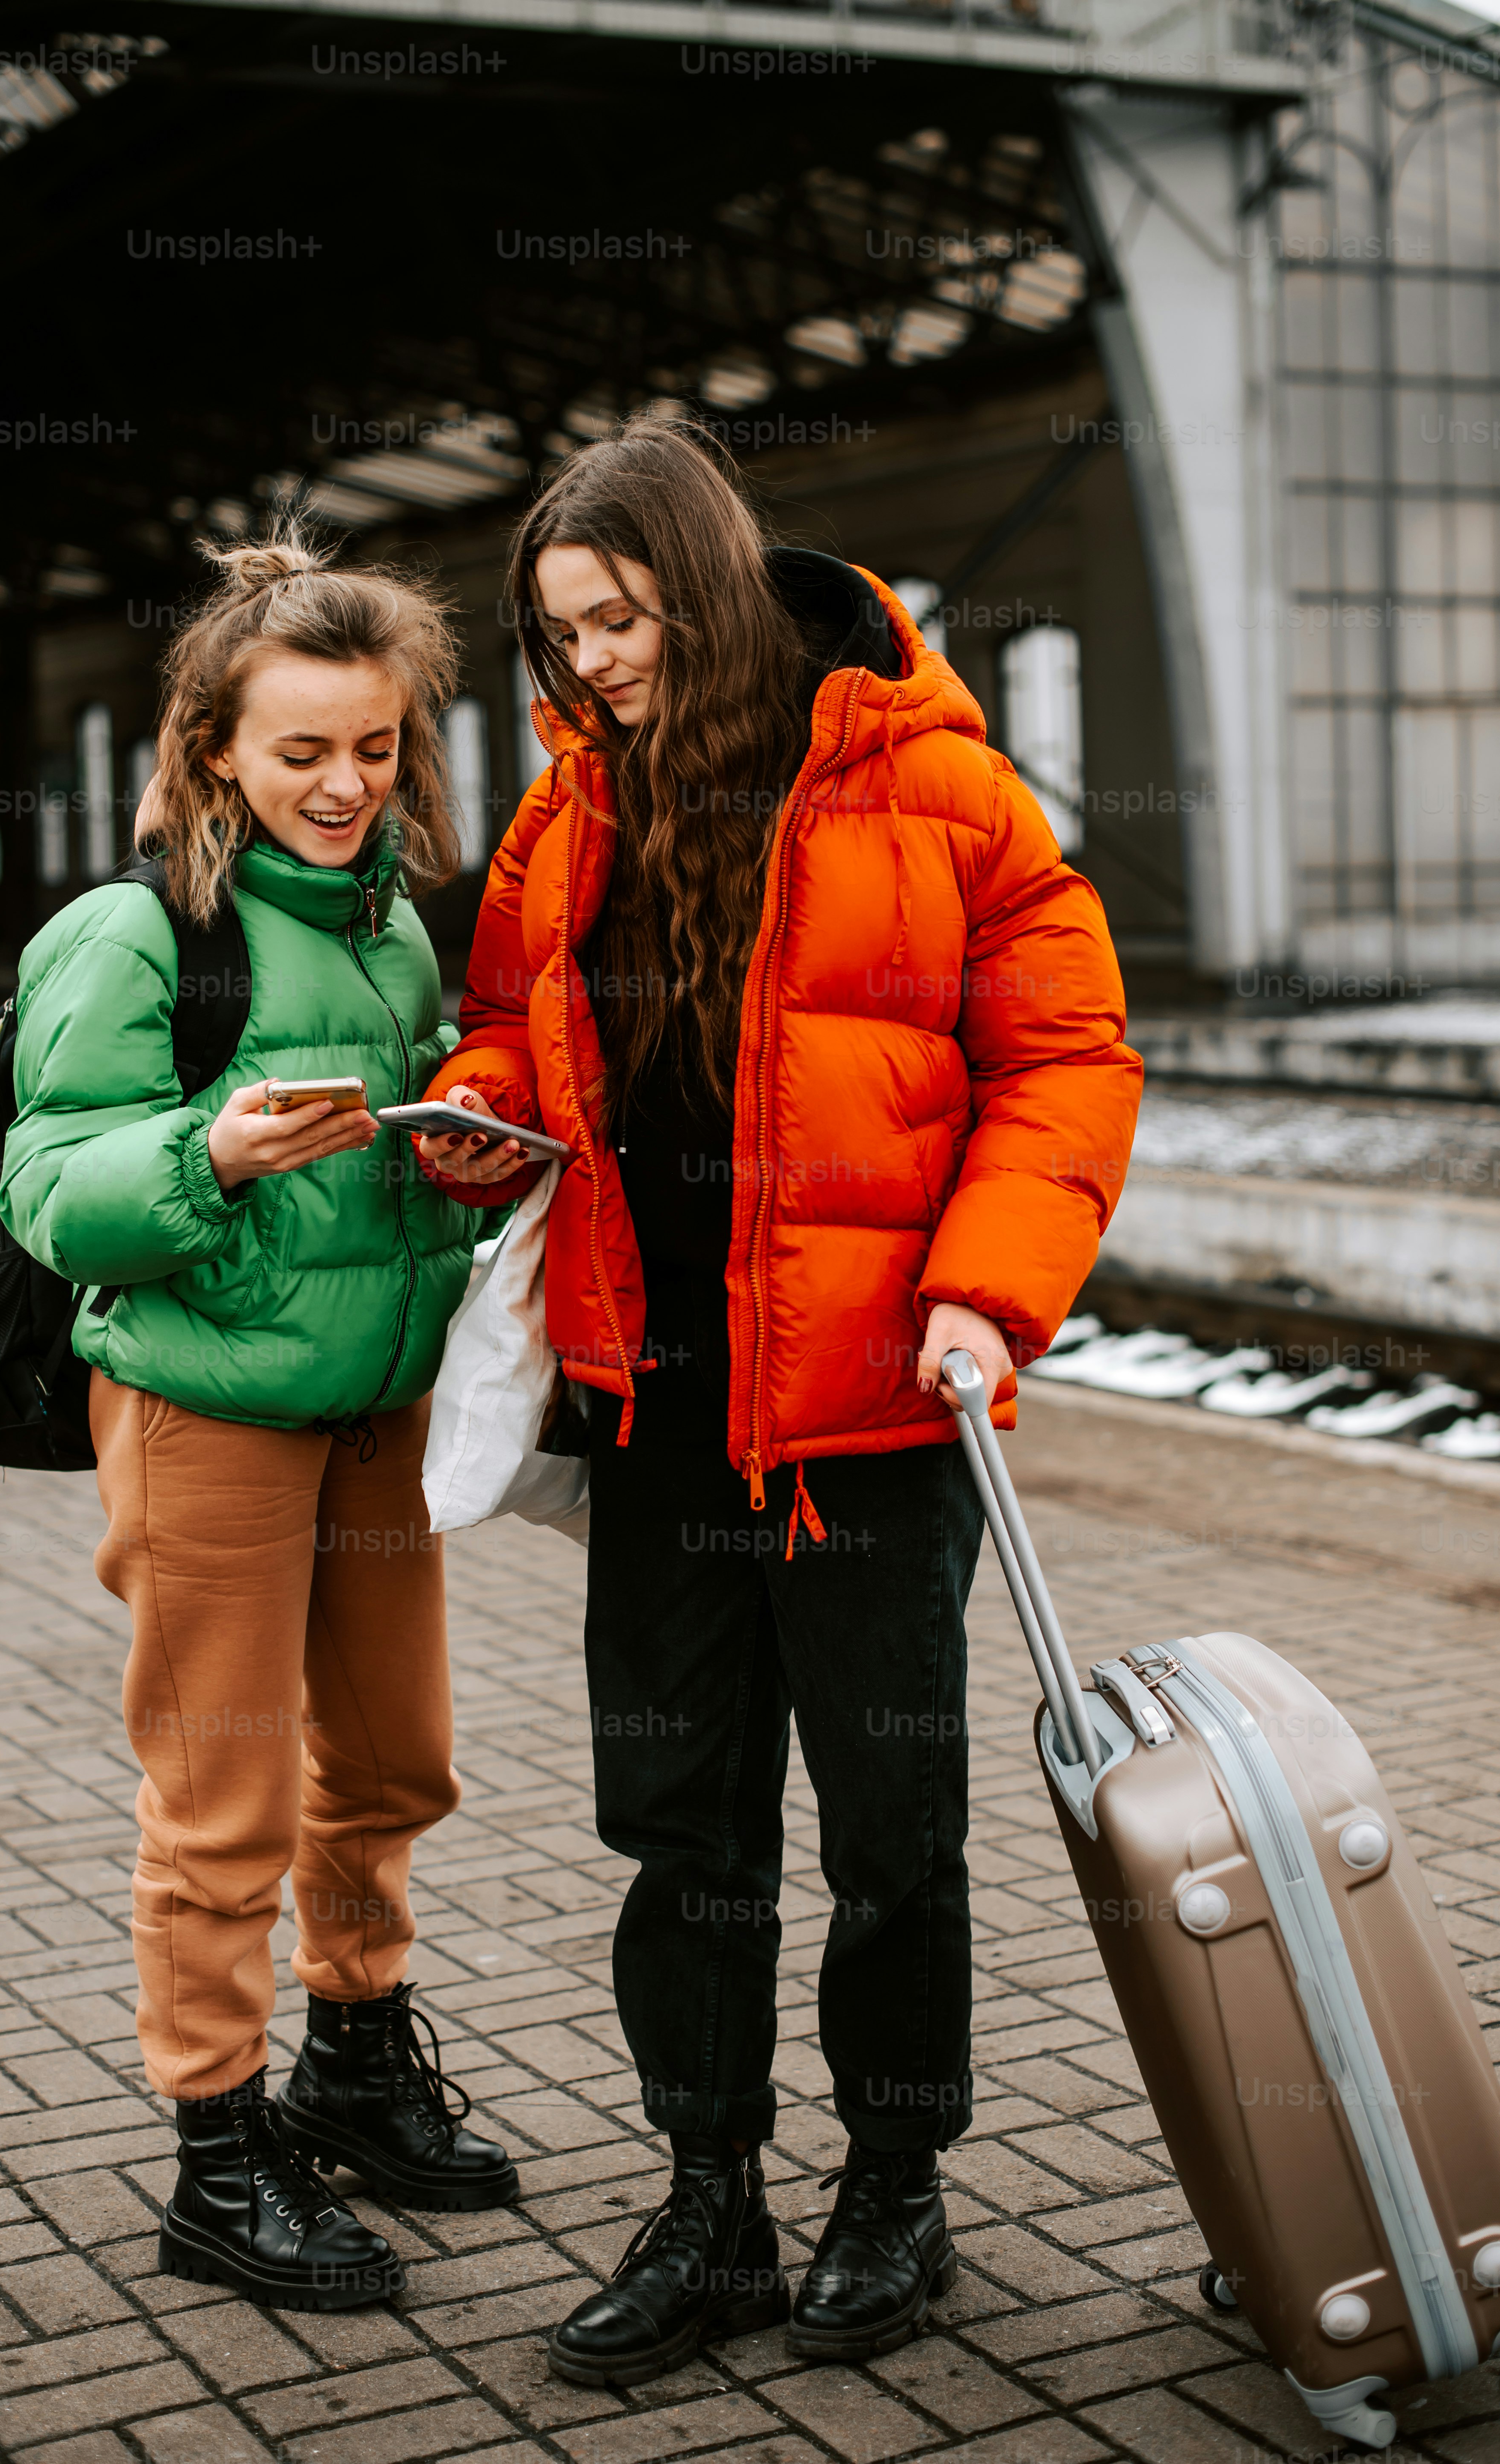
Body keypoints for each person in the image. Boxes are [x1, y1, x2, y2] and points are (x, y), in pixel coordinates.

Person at [418, 418, 1142, 2384]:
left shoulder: (944, 789)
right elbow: (499, 1024)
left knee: (890, 1836)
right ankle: (710, 2195)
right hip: (652, 1420)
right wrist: (476, 1120)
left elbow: (1068, 1060)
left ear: (710, 585)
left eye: (622, 620)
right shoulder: (566, 814)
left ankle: (894, 2182)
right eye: (561, 640)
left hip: (868, 1433)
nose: (594, 669)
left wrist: (987, 1295)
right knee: (683, 1836)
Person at [0, 535, 516, 2315]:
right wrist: (205, 1150)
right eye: (302, 748)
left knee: (389, 1761)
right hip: (204, 1407)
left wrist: (458, 1157)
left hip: (377, 1415)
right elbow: (46, 1182)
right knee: (217, 1802)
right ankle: (218, 2156)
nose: (345, 782)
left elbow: (417, 1146)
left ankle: (354, 2071)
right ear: (213, 744)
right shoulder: (131, 933)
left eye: (375, 745)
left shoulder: (389, 926)